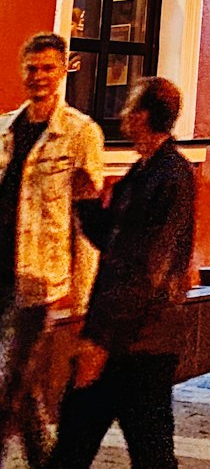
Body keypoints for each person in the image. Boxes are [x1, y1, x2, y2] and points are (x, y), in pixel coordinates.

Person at [48, 76, 195, 469]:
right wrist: (86, 203)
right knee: (80, 443)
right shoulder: (145, 171)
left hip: (140, 342)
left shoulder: (171, 176)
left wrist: (101, 342)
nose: (124, 116)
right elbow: (113, 239)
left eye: (130, 109)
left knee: (145, 451)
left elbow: (148, 268)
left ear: (144, 116)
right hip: (129, 337)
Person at [0, 32, 103, 469]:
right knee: (17, 387)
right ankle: (48, 462)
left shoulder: (81, 133)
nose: (38, 76)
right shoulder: (3, 129)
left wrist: (82, 299)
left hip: (40, 279)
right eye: (31, 68)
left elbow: (87, 223)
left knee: (13, 382)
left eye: (47, 68)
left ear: (63, 71)